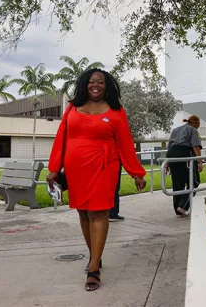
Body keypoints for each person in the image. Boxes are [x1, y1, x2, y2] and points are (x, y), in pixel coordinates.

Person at [47, 68, 146, 292]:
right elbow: (61, 137)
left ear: (106, 86)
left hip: (103, 165)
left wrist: (136, 172)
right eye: (92, 82)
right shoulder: (72, 106)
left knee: (99, 212)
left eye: (100, 82)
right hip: (76, 169)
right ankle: (96, 254)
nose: (96, 85)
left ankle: (94, 268)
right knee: (83, 211)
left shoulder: (116, 110)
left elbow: (124, 142)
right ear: (85, 84)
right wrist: (54, 168)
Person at [165, 115, 203, 218]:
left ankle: (178, 211)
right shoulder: (193, 130)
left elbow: (170, 146)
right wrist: (200, 161)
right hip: (185, 154)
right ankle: (183, 207)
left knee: (178, 184)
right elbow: (195, 146)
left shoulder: (175, 130)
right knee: (194, 181)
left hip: (172, 155)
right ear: (195, 123)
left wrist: (167, 161)